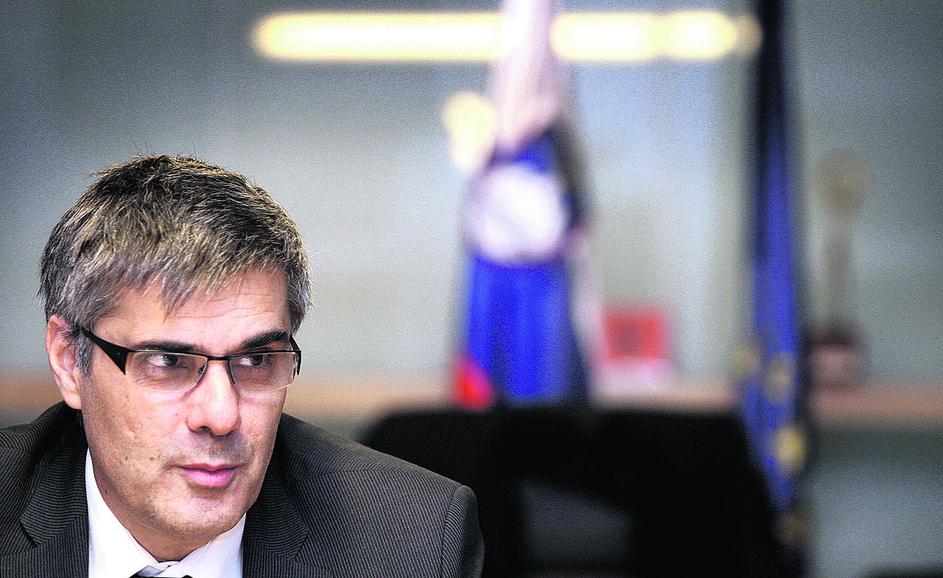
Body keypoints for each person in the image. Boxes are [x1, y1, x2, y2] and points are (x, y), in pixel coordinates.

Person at [0, 155, 484, 577]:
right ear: (69, 361)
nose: (221, 415)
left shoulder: (410, 542)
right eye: (169, 362)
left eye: (255, 360)